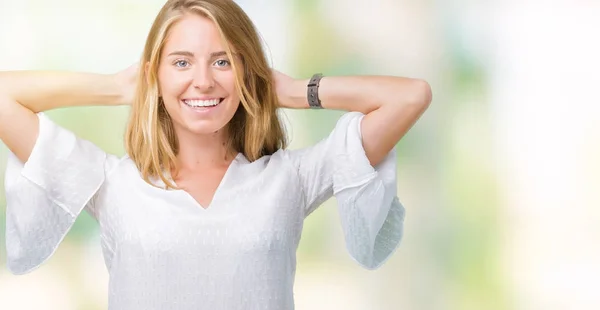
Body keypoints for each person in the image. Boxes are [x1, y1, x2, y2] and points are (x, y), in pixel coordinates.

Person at [0, 0, 431, 309]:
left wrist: (295, 91)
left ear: (247, 71)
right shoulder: (112, 184)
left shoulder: (290, 178)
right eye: (182, 63)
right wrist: (117, 86)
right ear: (156, 74)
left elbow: (410, 96)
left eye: (223, 62)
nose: (203, 81)